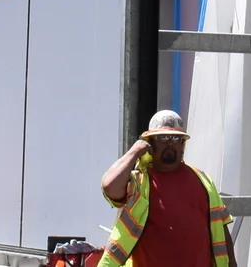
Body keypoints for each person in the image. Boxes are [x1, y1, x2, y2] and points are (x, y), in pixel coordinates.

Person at [99, 109, 232, 267]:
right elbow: (109, 186)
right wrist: (134, 151)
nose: (170, 143)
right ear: (150, 143)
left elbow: (221, 227)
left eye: (176, 138)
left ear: (182, 145)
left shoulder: (203, 180)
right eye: (162, 137)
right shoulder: (140, 182)